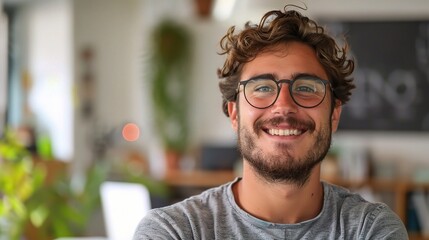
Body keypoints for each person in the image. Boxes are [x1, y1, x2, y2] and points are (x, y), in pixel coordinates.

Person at [133, 5, 408, 239]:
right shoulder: (175, 231)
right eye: (262, 87)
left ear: (334, 115)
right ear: (235, 114)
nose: (284, 105)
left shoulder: (370, 230)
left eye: (306, 87)